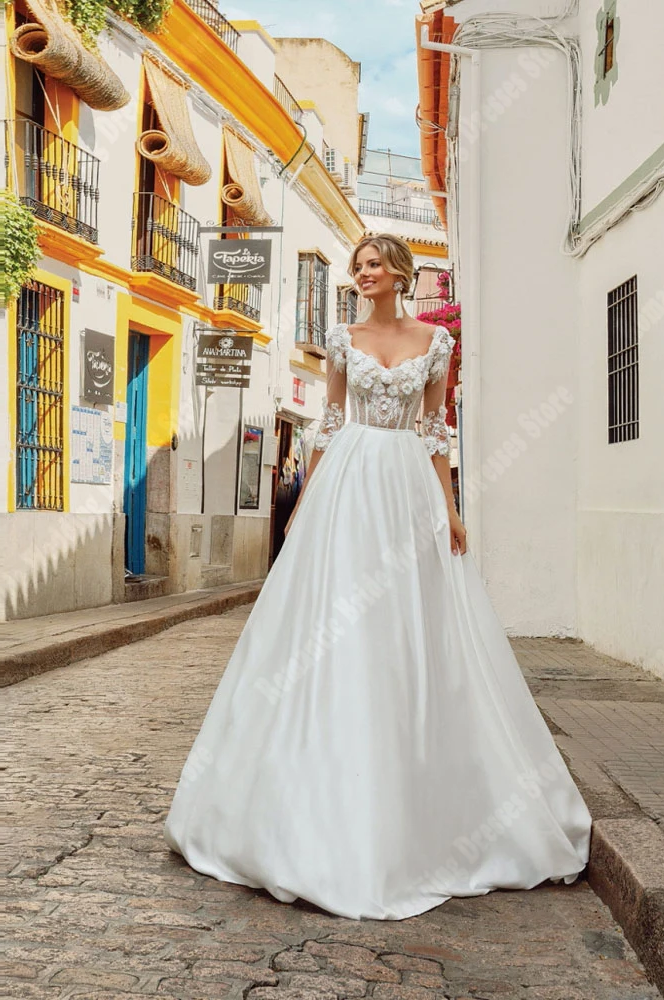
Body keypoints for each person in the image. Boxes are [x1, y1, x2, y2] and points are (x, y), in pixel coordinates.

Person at [163, 234, 592, 921]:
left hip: (408, 490)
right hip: (350, 485)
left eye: (373, 265)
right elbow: (329, 423)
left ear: (399, 272)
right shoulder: (341, 337)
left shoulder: (436, 343)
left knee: (411, 621)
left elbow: (436, 428)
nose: (363, 274)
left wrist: (450, 508)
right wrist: (303, 506)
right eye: (357, 266)